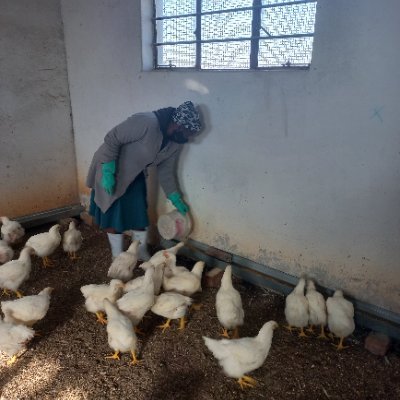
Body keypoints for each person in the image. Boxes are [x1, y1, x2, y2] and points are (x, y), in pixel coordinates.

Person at [86, 101, 202, 260]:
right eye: (188, 133)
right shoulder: (146, 122)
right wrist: (107, 169)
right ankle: (117, 257)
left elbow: (166, 171)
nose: (188, 138)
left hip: (135, 173)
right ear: (178, 124)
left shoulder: (175, 142)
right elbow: (112, 138)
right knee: (113, 213)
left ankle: (140, 252)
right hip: (111, 166)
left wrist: (174, 196)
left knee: (139, 213)